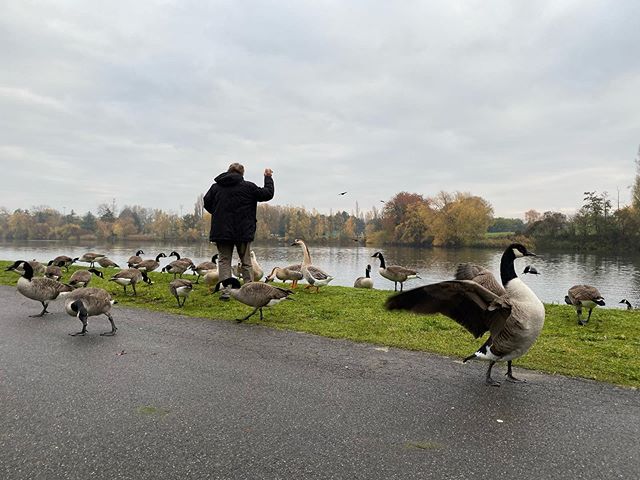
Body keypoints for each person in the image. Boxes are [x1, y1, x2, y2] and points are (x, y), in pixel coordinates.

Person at [203, 163, 274, 299]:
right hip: (243, 231)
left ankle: (225, 292)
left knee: (224, 261)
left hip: (222, 231)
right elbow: (267, 194)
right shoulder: (249, 187)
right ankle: (249, 292)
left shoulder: (216, 187)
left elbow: (206, 202)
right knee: (246, 261)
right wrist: (268, 177)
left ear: (228, 171)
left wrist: (217, 213)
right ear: (242, 174)